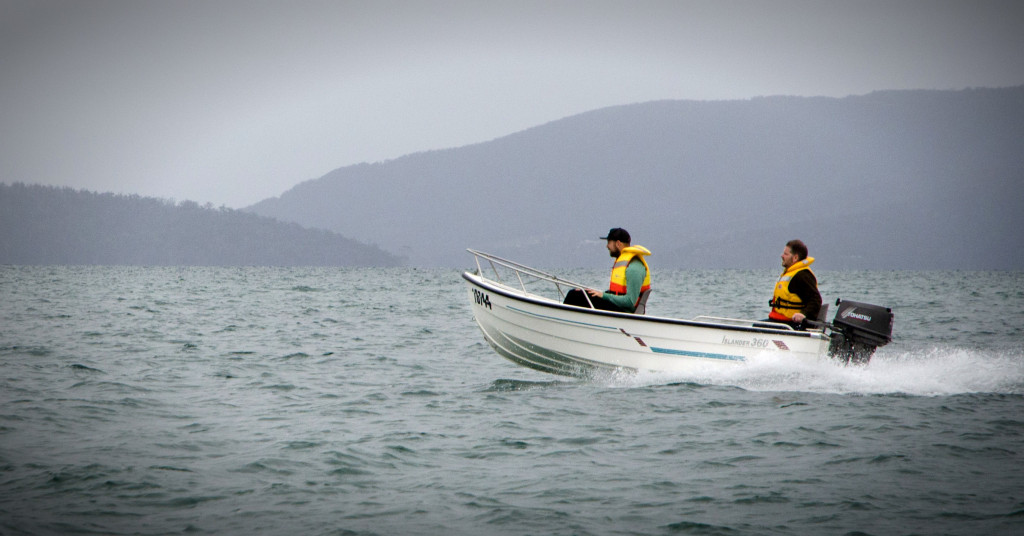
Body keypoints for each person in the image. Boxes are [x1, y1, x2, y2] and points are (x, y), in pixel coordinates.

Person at [563, 228, 652, 313]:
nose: (607, 246)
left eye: (609, 242)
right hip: (617, 307)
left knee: (574, 296)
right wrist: (592, 292)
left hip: (624, 312)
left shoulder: (634, 268)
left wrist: (603, 296)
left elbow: (630, 302)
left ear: (618, 244)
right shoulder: (626, 263)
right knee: (579, 292)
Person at [767, 239, 822, 329]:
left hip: (791, 323)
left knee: (755, 328)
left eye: (786, 254)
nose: (782, 256)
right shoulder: (791, 273)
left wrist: (803, 314)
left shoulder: (802, 275)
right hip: (780, 320)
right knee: (755, 327)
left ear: (795, 258)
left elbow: (816, 300)